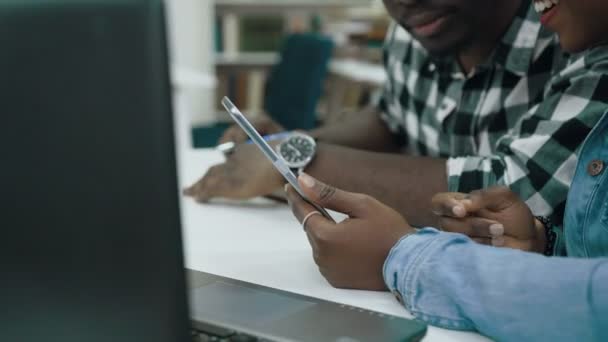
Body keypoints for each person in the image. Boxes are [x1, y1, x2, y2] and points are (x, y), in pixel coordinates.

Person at [285, 1, 608, 340]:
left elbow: (594, 304)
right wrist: (544, 243)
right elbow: (392, 117)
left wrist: (401, 254)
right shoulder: (420, 29)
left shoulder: (583, 49)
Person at [184, 0, 605, 228]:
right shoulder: (423, 26)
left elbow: (516, 191)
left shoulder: (580, 32)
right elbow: (391, 117)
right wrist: (296, 138)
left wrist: (294, 160)